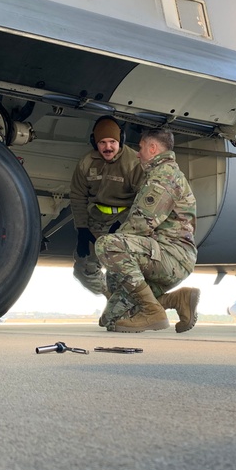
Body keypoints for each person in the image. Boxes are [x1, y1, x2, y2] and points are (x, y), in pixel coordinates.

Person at [95, 127, 200, 333]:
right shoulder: (160, 174)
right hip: (162, 256)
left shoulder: (164, 176)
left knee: (107, 245)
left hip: (171, 257)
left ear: (153, 148)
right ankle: (177, 300)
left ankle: (152, 311)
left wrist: (111, 257)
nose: (137, 152)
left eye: (141, 147)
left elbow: (140, 225)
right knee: (112, 319)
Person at [69, 116, 145, 297]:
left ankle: (139, 304)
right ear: (94, 142)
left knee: (124, 269)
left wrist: (123, 225)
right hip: (98, 221)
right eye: (102, 142)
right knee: (83, 269)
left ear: (121, 140)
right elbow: (78, 196)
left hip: (124, 222)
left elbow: (143, 200)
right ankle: (112, 299)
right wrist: (82, 229)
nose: (108, 147)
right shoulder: (86, 163)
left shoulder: (134, 163)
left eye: (112, 141)